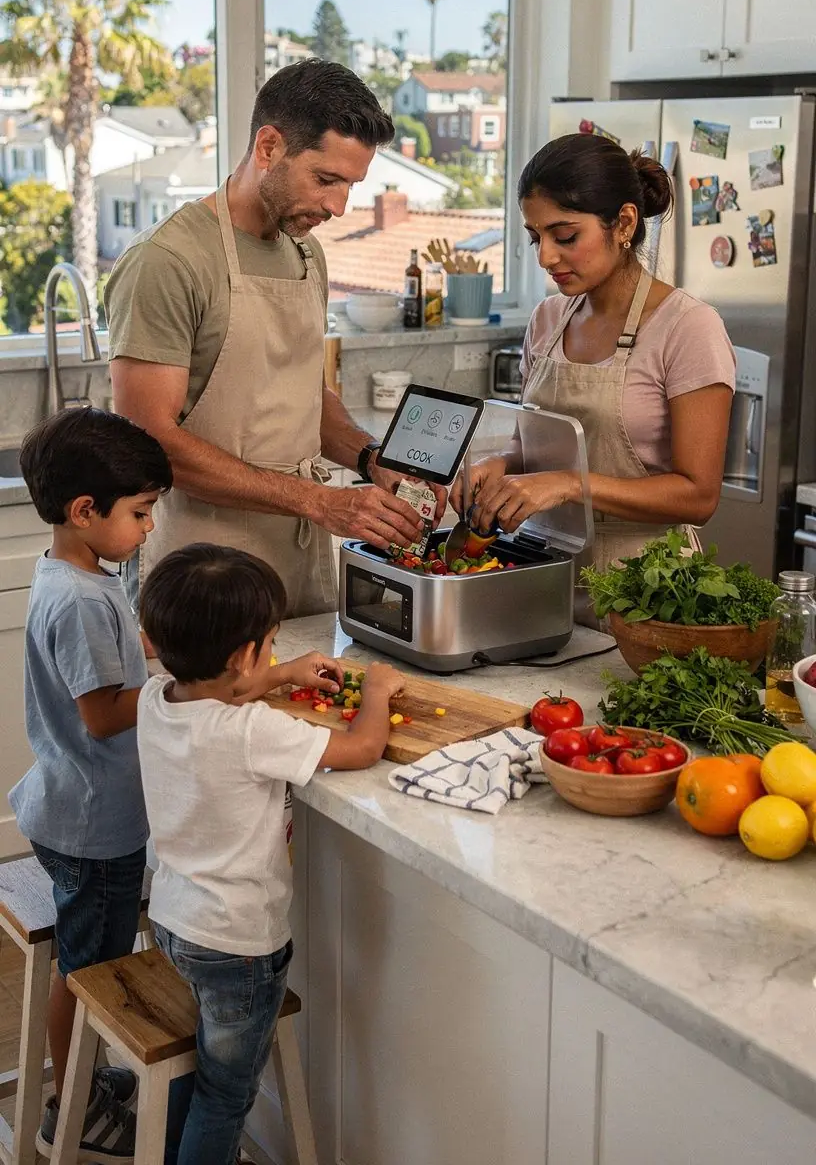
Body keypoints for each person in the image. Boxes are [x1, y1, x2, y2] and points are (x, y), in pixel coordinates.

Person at [105, 59, 443, 619]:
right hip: (199, 574)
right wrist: (318, 501)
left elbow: (304, 396)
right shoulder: (167, 261)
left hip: (298, 561)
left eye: (350, 186)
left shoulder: (306, 253)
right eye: (326, 180)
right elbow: (150, 443)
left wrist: (372, 458)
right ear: (268, 147)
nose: (338, 207)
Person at [137, 543, 400, 1165]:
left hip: (174, 922)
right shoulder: (251, 731)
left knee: (195, 1072)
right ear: (244, 655)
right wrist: (379, 693)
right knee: (226, 1096)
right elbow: (361, 749)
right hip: (238, 946)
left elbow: (223, 692)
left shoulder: (153, 702)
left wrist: (283, 674)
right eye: (271, 643)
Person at [457, 133, 736, 577]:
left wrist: (571, 486)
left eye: (565, 236)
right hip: (545, 569)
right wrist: (502, 465)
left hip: (646, 584)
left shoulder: (688, 328)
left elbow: (699, 497)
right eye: (535, 238)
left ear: (624, 223)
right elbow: (534, 446)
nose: (546, 257)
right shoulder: (548, 320)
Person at [9, 407, 173, 1160]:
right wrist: (187, 691)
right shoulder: (79, 600)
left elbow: (107, 658)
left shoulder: (76, 576)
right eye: (140, 513)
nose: (147, 527)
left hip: (73, 807)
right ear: (85, 512)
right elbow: (105, 716)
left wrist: (144, 646)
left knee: (93, 961)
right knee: (91, 975)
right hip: (94, 829)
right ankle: (69, 1107)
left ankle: (89, 1084)